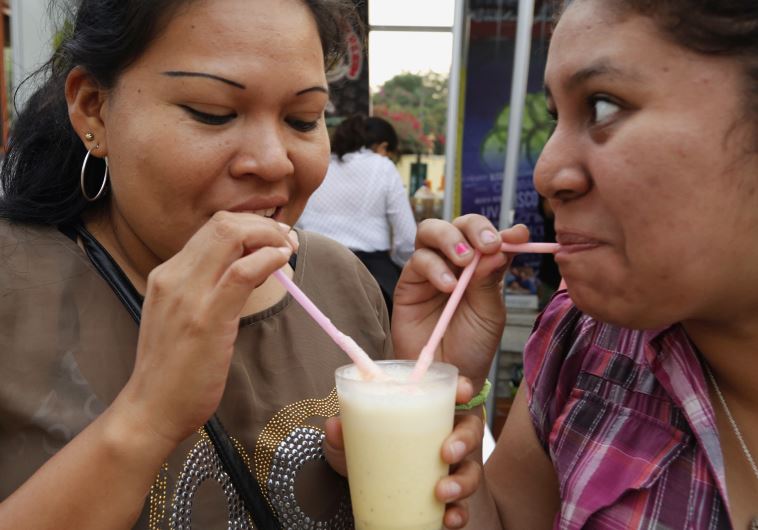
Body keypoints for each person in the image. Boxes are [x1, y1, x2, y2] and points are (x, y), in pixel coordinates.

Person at [0, 1, 485, 528]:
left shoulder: (338, 279)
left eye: (303, 119)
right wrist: (147, 418)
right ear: (94, 108)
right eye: (213, 112)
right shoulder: (15, 285)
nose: (274, 160)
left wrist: (434, 421)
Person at [398, 0, 758, 527]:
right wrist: (440, 394)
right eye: (555, 116)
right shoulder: (583, 342)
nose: (546, 175)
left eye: (604, 107)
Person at [298, 114, 416, 315]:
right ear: (383, 147)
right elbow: (407, 240)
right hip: (370, 274)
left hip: (308, 273)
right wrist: (400, 263)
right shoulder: (383, 166)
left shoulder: (317, 163)